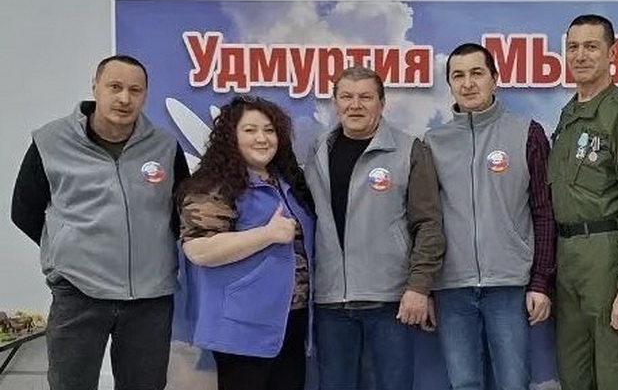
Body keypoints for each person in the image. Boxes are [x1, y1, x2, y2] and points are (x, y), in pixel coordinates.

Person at [10, 54, 189, 390]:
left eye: (135, 90)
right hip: (78, 293)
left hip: (150, 299)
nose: (124, 98)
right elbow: (24, 210)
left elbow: (181, 215)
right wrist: (69, 247)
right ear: (95, 87)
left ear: (145, 95)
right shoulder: (50, 141)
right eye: (115, 87)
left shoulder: (165, 146)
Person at [424, 43, 556, 390]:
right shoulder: (432, 143)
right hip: (452, 289)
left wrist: (541, 282)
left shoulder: (526, 133)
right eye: (458, 76)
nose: (468, 83)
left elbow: (544, 211)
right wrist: (424, 288)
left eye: (477, 73)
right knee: (464, 384)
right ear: (450, 84)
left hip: (509, 287)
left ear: (495, 78)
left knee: (513, 384)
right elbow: (424, 221)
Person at [304, 66, 445, 390]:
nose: (355, 105)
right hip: (331, 301)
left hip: (391, 302)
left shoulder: (409, 150)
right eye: (346, 97)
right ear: (335, 103)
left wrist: (419, 286)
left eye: (365, 97)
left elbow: (428, 224)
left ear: (382, 103)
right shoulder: (317, 151)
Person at [548, 14, 618, 390]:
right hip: (568, 260)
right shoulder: (569, 116)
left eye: (591, 46)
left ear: (613, 53)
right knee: (573, 375)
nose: (580, 55)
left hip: (608, 258)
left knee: (616, 373)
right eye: (573, 47)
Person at [175, 95, 315, 390]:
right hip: (242, 327)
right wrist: (267, 234)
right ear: (231, 136)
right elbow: (199, 250)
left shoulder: (289, 182)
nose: (262, 138)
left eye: (269, 130)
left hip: (291, 319)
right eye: (250, 130)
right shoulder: (212, 185)